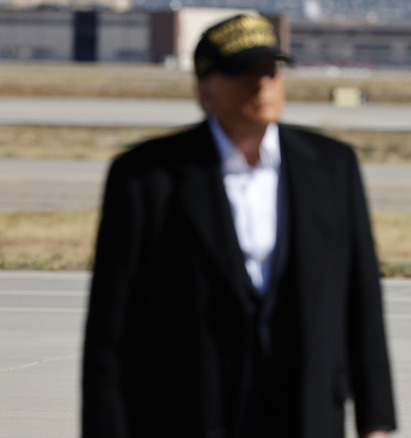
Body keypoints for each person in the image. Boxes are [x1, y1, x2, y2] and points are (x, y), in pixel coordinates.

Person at [81, 14, 395, 438]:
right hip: (188, 415)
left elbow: (362, 301)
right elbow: (110, 329)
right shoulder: (146, 177)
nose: (262, 84)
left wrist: (375, 421)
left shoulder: (332, 167)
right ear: (204, 90)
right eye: (243, 72)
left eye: (270, 71)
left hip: (306, 415)